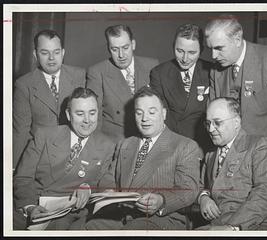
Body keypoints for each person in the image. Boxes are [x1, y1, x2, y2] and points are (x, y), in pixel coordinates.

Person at [85, 86, 202, 230]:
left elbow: (188, 190)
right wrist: (108, 191)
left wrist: (161, 200)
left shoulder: (185, 145)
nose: (145, 119)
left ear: (164, 114)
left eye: (152, 112)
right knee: (87, 228)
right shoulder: (125, 144)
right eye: (139, 113)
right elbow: (110, 176)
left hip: (163, 219)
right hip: (122, 216)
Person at [13, 87, 116, 230]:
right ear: (68, 115)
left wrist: (89, 188)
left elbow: (105, 183)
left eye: (92, 113)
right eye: (80, 114)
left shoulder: (107, 145)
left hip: (73, 213)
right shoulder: (44, 135)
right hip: (34, 205)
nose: (87, 120)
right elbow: (23, 177)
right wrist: (30, 208)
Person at [205, 15, 267, 184]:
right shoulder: (216, 71)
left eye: (219, 48)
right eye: (211, 48)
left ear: (237, 39)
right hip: (231, 165)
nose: (213, 55)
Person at [196, 97, 267, 230]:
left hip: (257, 224)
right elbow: (198, 185)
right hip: (220, 223)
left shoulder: (259, 146)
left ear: (236, 122)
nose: (210, 129)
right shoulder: (210, 155)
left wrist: (233, 227)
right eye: (208, 123)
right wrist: (203, 198)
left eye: (217, 123)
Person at [13, 29, 86, 170]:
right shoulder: (23, 85)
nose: (51, 58)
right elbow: (20, 132)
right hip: (41, 158)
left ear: (63, 52)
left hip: (76, 156)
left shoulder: (80, 76)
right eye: (45, 53)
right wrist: (15, 169)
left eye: (56, 52)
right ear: (35, 55)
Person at [86, 24, 159, 143]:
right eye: (115, 49)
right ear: (109, 49)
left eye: (125, 47)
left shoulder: (152, 66)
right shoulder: (97, 72)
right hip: (115, 142)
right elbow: (94, 115)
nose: (121, 55)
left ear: (133, 44)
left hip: (149, 140)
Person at [150, 23, 212, 153]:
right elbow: (162, 116)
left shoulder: (212, 72)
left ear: (201, 50)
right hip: (172, 146)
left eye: (192, 52)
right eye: (180, 51)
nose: (185, 59)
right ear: (173, 47)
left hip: (205, 145)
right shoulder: (159, 73)